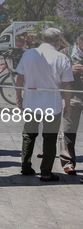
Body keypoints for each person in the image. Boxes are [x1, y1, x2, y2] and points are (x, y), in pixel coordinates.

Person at [16, 27, 73, 181]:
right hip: (52, 104)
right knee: (50, 138)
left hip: (31, 102)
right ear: (57, 41)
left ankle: (25, 167)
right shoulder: (61, 57)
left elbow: (20, 78)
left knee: (28, 135)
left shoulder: (29, 54)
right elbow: (67, 85)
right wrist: (67, 105)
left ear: (42, 38)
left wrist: (18, 97)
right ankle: (46, 172)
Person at [59, 34, 83, 175]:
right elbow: (54, 73)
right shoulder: (65, 53)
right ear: (78, 42)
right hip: (71, 96)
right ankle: (68, 162)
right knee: (68, 130)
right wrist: (70, 70)